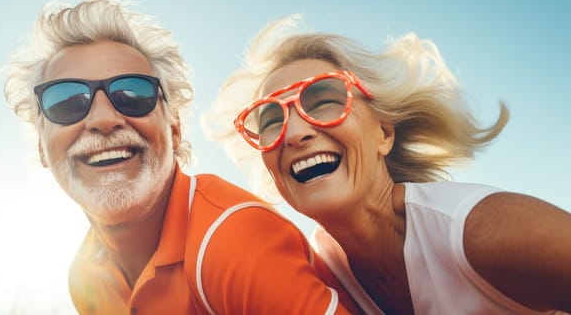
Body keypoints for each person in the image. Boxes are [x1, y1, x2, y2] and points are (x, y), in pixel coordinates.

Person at [1, 0, 362, 315]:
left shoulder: (233, 239)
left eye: (132, 94)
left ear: (174, 128)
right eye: (65, 102)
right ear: (41, 148)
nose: (104, 119)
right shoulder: (85, 276)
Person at [203, 15, 571, 314]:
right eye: (270, 120)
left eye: (324, 100)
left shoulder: (479, 230)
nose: (294, 132)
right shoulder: (318, 270)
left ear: (384, 133)